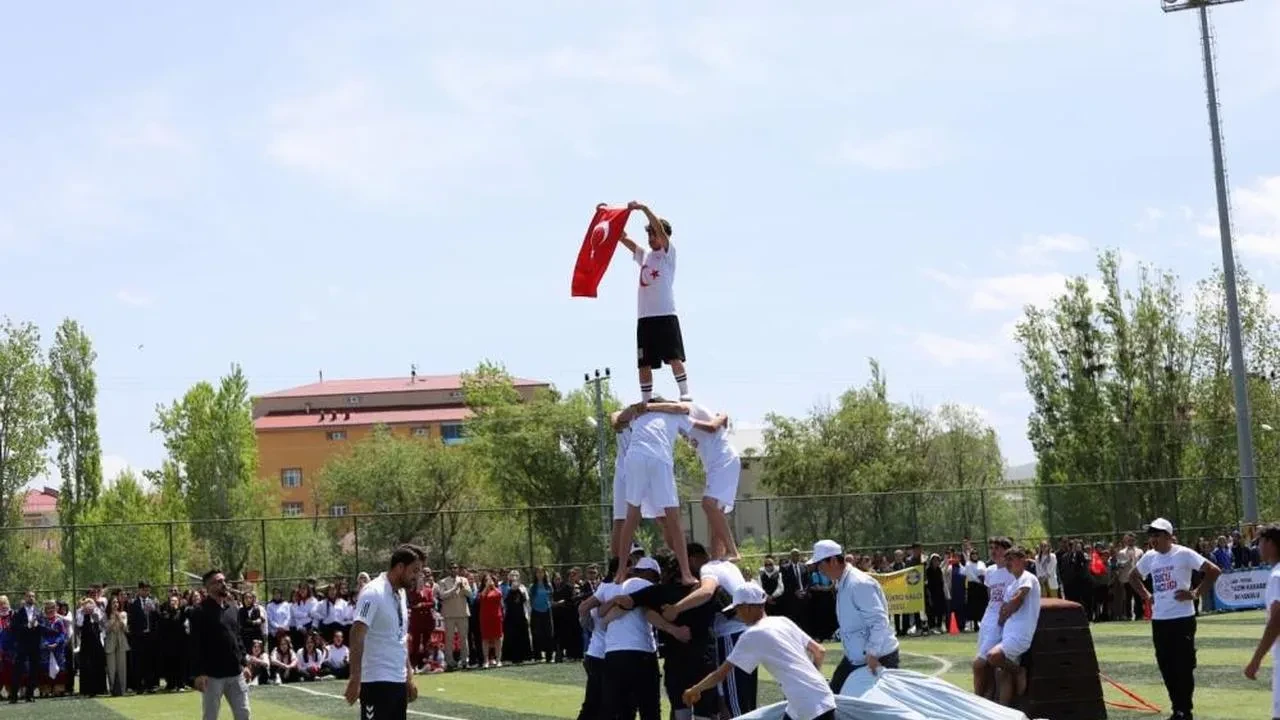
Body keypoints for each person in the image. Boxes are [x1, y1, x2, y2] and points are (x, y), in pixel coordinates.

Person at [684, 583, 836, 720]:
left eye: (737, 609)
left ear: (748, 607)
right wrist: (812, 680)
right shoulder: (783, 621)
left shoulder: (752, 634)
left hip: (807, 705)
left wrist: (694, 690)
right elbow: (819, 651)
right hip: (817, 695)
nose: (737, 614)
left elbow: (720, 674)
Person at [614, 403, 727, 586]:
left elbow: (618, 420)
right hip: (659, 458)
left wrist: (645, 407)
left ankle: (620, 573)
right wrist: (722, 417)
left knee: (632, 515)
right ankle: (686, 574)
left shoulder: (639, 414)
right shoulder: (676, 414)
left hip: (634, 457)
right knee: (673, 518)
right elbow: (709, 426)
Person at [1129, 517, 1221, 720]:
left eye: (1157, 535)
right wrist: (1147, 596)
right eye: (1151, 536)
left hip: (1182, 618)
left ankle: (1184, 710)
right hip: (1160, 619)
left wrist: (1195, 593)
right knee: (1166, 665)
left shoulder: (1183, 553)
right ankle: (1177, 708)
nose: (1153, 539)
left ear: (1168, 536)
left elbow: (1214, 571)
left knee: (1184, 666)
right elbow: (1133, 577)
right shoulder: (1150, 557)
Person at [608, 549, 714, 720]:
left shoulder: (660, 591)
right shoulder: (707, 587)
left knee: (681, 710)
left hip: (677, 660)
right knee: (703, 711)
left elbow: (632, 603)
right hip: (702, 657)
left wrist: (606, 607)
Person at [662, 541, 757, 717]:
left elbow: (707, 592)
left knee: (734, 703)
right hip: (741, 633)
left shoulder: (709, 569)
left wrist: (676, 608)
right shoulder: (728, 567)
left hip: (729, 636)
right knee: (743, 698)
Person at [617, 200, 689, 403]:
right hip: (645, 317)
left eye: (654, 234)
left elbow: (659, 229)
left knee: (674, 357)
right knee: (644, 362)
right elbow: (624, 239)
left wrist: (644, 209)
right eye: (648, 235)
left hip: (665, 314)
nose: (651, 238)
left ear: (664, 236)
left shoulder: (668, 254)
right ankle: (646, 399)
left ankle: (684, 392)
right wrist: (607, 218)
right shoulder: (645, 256)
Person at [808, 539, 899, 694]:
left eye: (820, 565)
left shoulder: (858, 583)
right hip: (858, 657)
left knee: (876, 704)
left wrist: (872, 653)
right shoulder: (843, 582)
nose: (819, 570)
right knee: (836, 694)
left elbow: (879, 621)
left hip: (877, 657)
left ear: (833, 561)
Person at [345, 544, 424, 720]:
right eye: (414, 571)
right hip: (375, 682)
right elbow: (357, 633)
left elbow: (400, 637)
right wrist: (355, 677)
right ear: (400, 567)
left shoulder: (401, 594)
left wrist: (408, 676)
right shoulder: (373, 592)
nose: (417, 576)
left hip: (397, 682)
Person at [189, 569, 251, 720]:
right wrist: (199, 673)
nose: (224, 584)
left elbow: (237, 638)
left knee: (244, 713)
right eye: (218, 582)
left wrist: (244, 663)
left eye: (224, 580)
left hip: (235, 673)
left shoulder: (232, 609)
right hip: (212, 676)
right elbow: (195, 644)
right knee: (210, 716)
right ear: (208, 587)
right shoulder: (199, 612)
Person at [985, 546, 1040, 708]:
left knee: (993, 656)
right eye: (1006, 560)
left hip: (1020, 635)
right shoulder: (1012, 585)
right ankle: (1005, 711)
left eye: (1011, 559)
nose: (1008, 563)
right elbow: (1003, 612)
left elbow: (1018, 600)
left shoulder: (1027, 577)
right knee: (1002, 673)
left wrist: (1008, 608)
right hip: (1008, 634)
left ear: (1022, 560)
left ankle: (1019, 671)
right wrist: (1005, 612)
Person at [684, 403, 741, 562]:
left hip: (724, 461)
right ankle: (717, 560)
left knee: (708, 504)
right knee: (715, 516)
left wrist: (689, 421)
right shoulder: (682, 425)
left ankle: (732, 551)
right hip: (713, 467)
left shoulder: (696, 415)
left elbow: (715, 424)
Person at [576, 558, 621, 720]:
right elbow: (586, 613)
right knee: (596, 704)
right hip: (601, 654)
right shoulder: (608, 590)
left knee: (597, 703)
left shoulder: (602, 591)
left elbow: (585, 618)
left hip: (598, 653)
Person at [1243, 524, 1280, 718]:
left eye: (1260, 542)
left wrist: (1256, 659)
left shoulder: (1277, 576)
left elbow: (1276, 621)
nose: (1258, 547)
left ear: (1271, 544)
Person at [972, 537, 1014, 700]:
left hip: (1001, 623)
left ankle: (976, 699)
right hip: (987, 621)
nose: (993, 551)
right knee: (986, 668)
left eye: (997, 548)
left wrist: (1003, 619)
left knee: (979, 663)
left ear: (1006, 550)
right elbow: (991, 597)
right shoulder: (990, 571)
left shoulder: (1013, 572)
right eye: (991, 548)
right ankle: (988, 697)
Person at [435, 564, 472, 670]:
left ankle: (465, 660)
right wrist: (454, 588)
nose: (453, 570)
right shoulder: (442, 582)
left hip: (462, 613)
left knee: (464, 638)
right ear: (448, 570)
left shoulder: (464, 580)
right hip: (449, 614)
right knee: (449, 639)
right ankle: (450, 662)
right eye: (451, 568)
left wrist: (463, 588)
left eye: (455, 568)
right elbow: (442, 595)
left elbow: (470, 594)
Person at [9, 590, 40, 703]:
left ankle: (29, 695)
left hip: (35, 644)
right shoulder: (18, 612)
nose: (31, 598)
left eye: (33, 596)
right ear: (25, 598)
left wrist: (38, 625)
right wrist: (27, 626)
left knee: (34, 669)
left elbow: (42, 626)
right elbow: (13, 628)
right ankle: (14, 696)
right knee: (18, 669)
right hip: (22, 644)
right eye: (29, 596)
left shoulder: (38, 612)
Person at [76, 597, 107, 697]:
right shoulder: (80, 612)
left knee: (97, 664)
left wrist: (93, 613)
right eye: (86, 604)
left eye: (90, 603)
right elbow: (79, 623)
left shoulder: (97, 611)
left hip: (96, 641)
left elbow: (100, 622)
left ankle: (99, 689)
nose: (88, 606)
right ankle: (86, 689)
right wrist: (85, 613)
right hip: (85, 642)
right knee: (86, 665)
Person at [104, 595, 130, 697]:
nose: (115, 604)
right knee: (111, 667)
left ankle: (122, 690)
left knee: (122, 667)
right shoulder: (106, 615)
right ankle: (112, 689)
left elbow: (125, 628)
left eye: (117, 602)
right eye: (113, 602)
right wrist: (113, 619)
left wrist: (119, 617)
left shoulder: (123, 614)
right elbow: (106, 630)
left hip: (121, 641)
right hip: (110, 641)